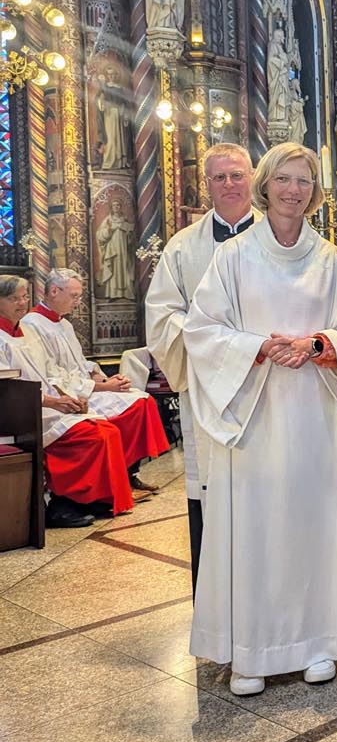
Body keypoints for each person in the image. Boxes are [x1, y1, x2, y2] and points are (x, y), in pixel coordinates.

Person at [184, 143, 337, 696]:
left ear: (314, 192)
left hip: (316, 413)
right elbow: (201, 330)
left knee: (315, 522)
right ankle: (252, 653)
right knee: (257, 527)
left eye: (304, 181)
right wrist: (257, 347)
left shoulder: (331, 260)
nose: (294, 190)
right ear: (265, 185)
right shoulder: (233, 257)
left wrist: (317, 344)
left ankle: (320, 641)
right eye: (284, 179)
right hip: (256, 411)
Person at [145, 143, 257, 592]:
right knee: (211, 495)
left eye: (237, 175)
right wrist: (218, 349)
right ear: (206, 183)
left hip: (269, 387)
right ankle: (215, 608)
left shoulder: (282, 235)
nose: (229, 184)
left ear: (253, 177)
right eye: (219, 177)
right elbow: (161, 317)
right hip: (208, 391)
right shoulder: (182, 247)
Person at [0, 274, 132, 525]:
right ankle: (62, 504)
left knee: (107, 430)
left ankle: (92, 499)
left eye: (25, 297)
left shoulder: (28, 332)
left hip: (47, 404)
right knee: (91, 436)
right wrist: (52, 402)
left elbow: (52, 371)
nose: (22, 303)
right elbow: (7, 388)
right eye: (14, 299)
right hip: (20, 414)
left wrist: (70, 397)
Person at [22, 269, 170, 493]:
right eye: (74, 296)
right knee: (131, 408)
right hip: (66, 394)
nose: (78, 302)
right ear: (53, 291)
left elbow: (80, 363)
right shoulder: (32, 325)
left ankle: (128, 473)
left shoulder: (64, 324)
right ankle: (114, 480)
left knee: (142, 402)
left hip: (85, 386)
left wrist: (101, 376)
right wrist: (102, 387)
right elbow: (52, 375)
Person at [96, 199, 135, 301]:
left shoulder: (124, 220)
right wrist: (109, 230)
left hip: (124, 249)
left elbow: (131, 234)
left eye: (118, 205)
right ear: (111, 208)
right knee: (113, 269)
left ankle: (127, 293)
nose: (116, 207)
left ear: (120, 207)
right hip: (112, 249)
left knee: (125, 268)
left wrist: (129, 234)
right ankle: (113, 294)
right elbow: (99, 234)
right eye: (114, 205)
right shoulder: (108, 220)